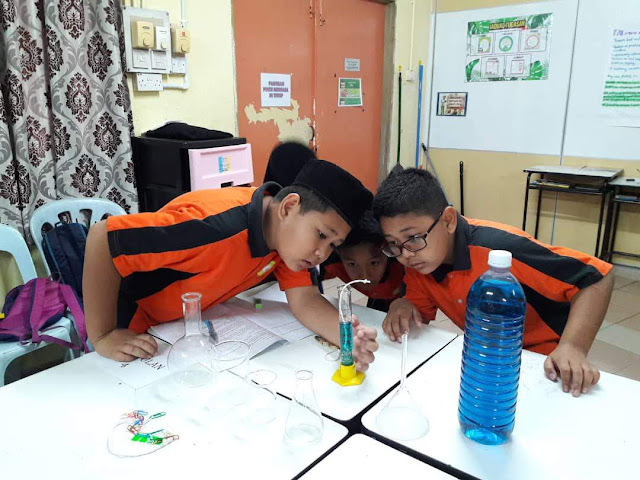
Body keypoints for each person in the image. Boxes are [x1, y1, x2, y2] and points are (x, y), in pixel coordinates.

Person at [84, 153, 379, 372]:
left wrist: (347, 337)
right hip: (132, 326)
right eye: (321, 235)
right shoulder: (214, 227)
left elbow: (305, 299)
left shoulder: (284, 240)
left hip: (176, 331)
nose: (321, 254)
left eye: (333, 246)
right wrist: (104, 335)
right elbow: (102, 239)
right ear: (289, 206)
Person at [373, 167, 614, 397]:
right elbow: (419, 313)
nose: (404, 254)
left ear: (448, 220)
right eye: (393, 243)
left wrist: (574, 346)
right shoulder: (419, 262)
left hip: (547, 362)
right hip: (490, 361)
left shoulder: (501, 248)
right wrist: (403, 304)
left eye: (413, 238)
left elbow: (596, 278)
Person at [320, 211, 404, 312]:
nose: (365, 275)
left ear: (387, 249)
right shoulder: (328, 262)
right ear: (338, 253)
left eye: (374, 263)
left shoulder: (404, 262)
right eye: (352, 264)